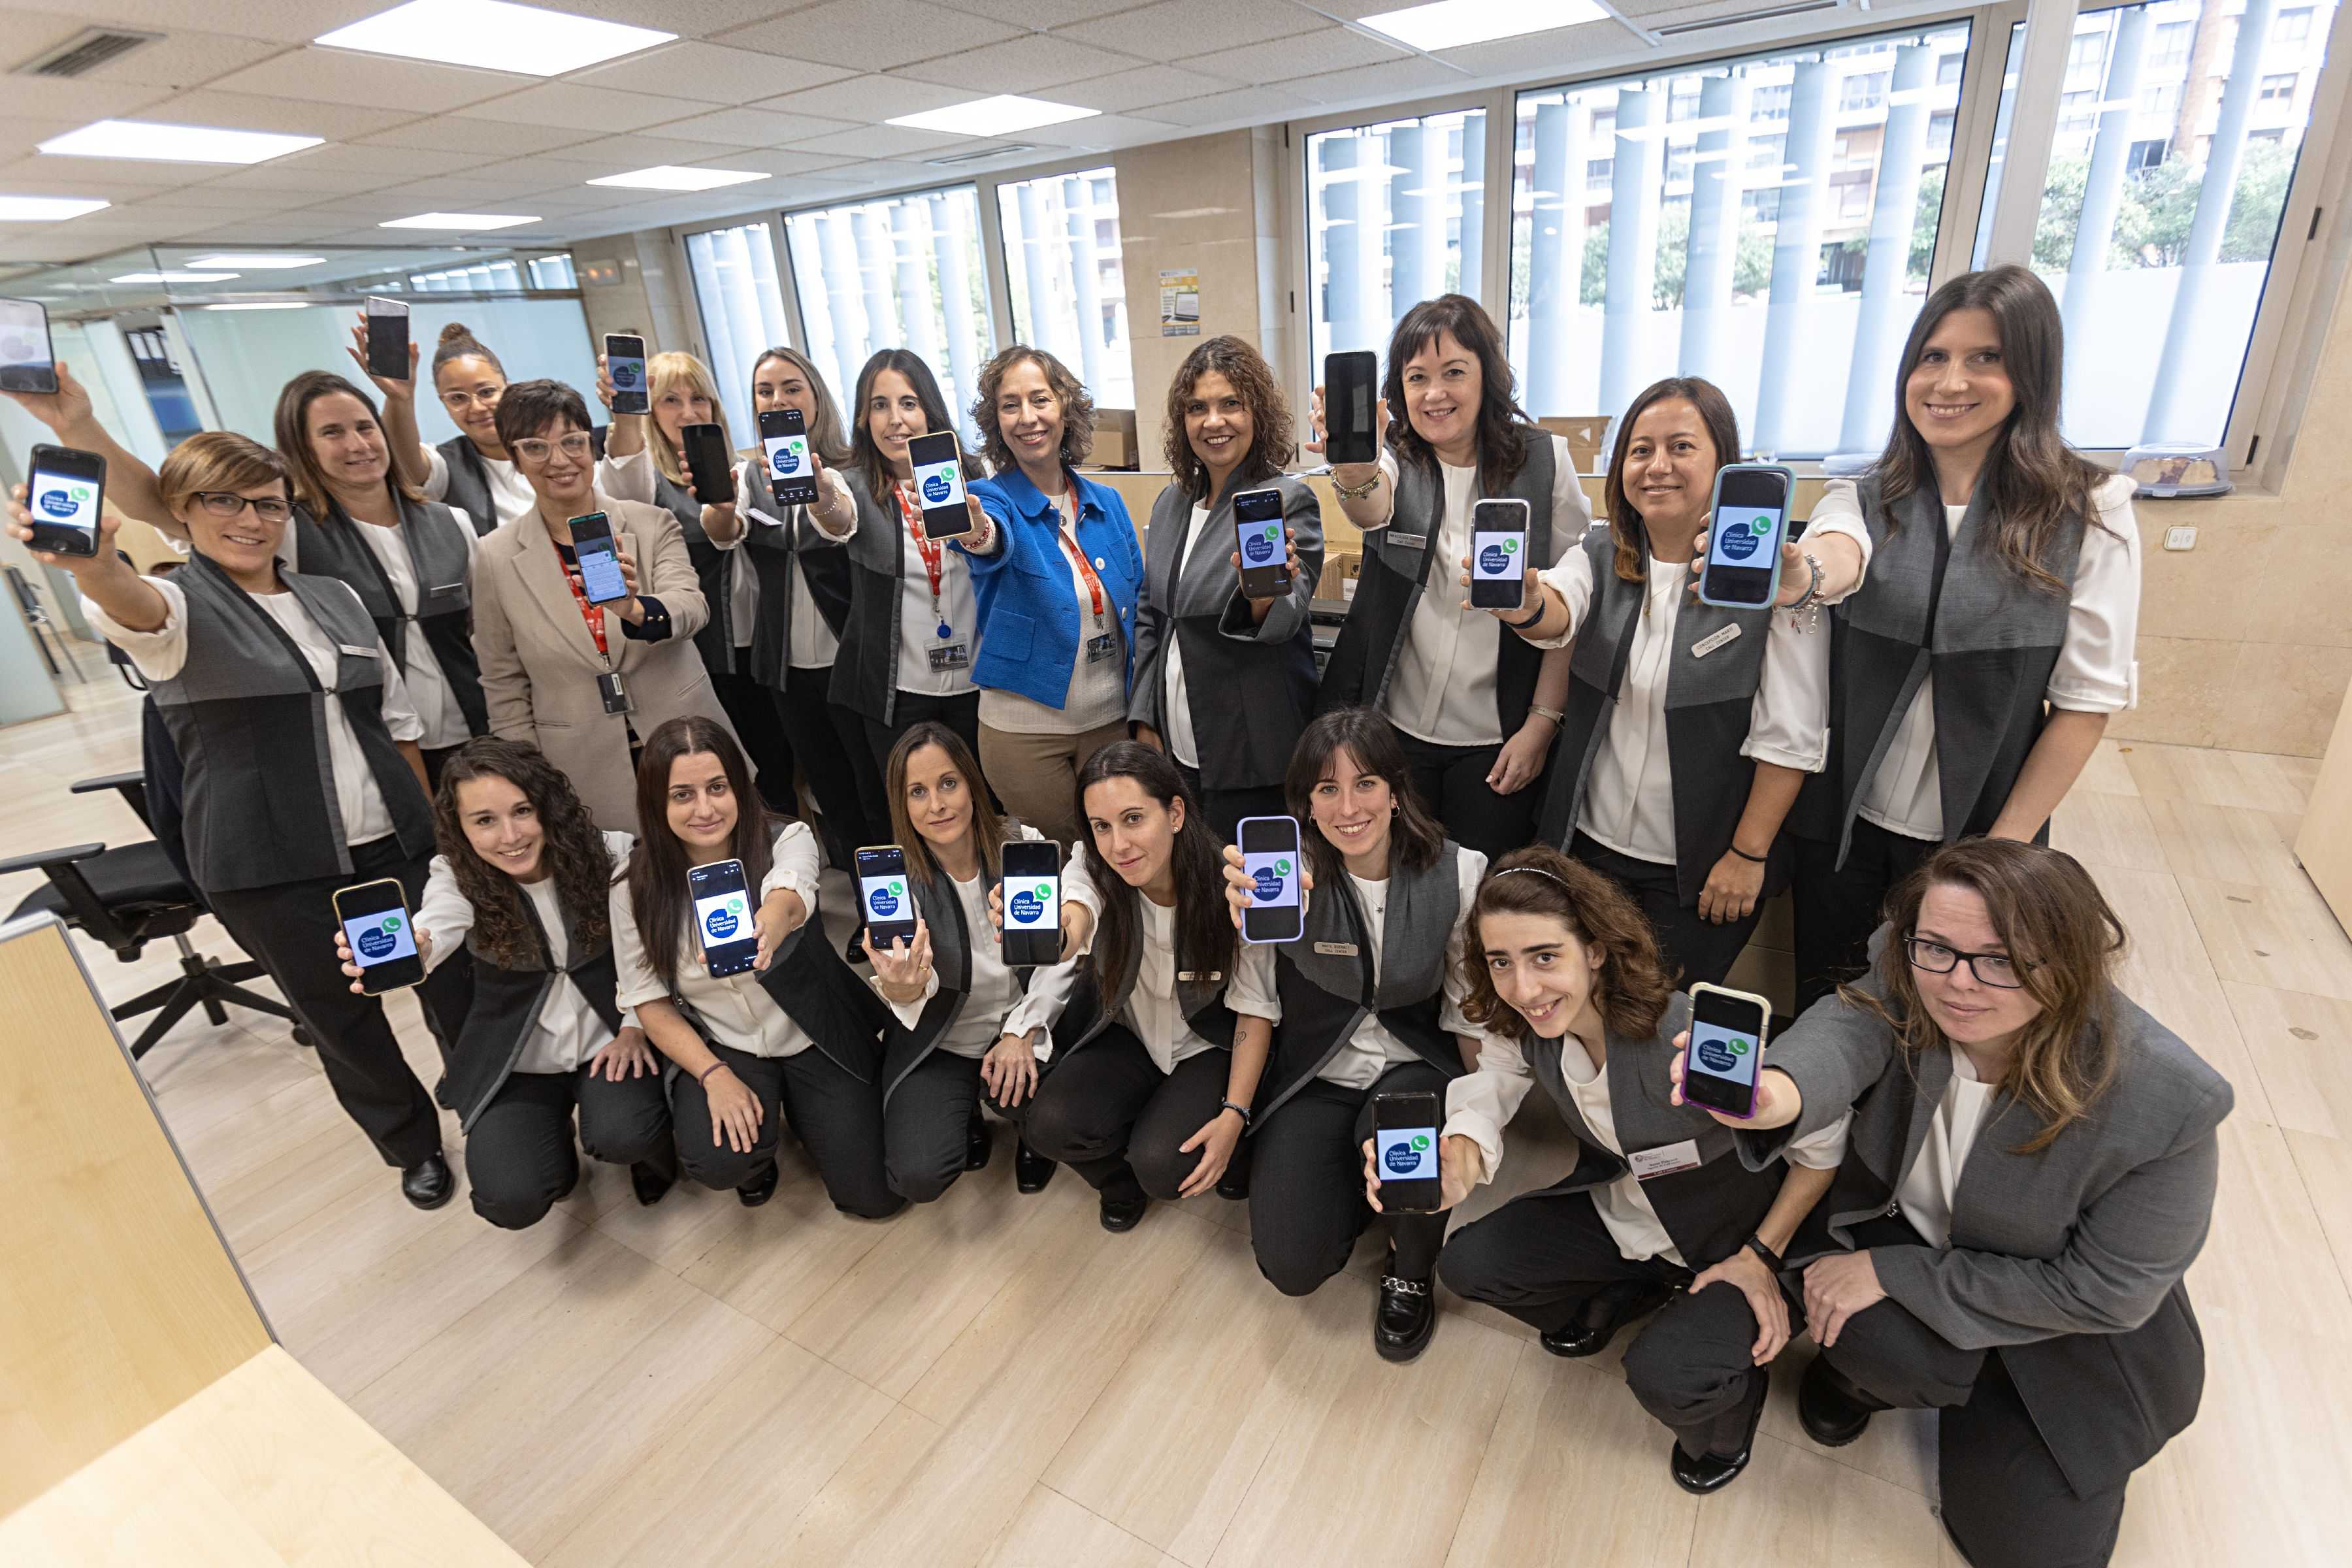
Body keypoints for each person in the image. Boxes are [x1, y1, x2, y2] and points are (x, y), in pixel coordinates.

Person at [1681, 839, 2228, 1563]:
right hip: (1924, 1239)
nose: (1960, 984)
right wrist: (1778, 1094)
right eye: (1936, 948)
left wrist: (1890, 1274)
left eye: (2002, 960)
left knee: (2024, 1552)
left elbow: (2105, 1293)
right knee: (1861, 1333)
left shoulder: (2170, 1100)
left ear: (2068, 960)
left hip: (2065, 1328)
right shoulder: (1913, 967)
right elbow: (1852, 1024)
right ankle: (1866, 1383)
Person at [8, 434, 462, 1207]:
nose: (250, 519)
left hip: (390, 840)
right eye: (223, 500)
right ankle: (412, 1145)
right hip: (271, 865)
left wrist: (431, 829)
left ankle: (485, 1098)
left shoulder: (335, 599)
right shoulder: (179, 606)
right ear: (183, 512)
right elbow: (131, 610)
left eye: (267, 503)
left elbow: (395, 722)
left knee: (449, 984)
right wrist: (91, 563)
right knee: (342, 1020)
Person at [1410, 847, 1850, 1493]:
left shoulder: (1686, 1033)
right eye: (1501, 961)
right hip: (1631, 1214)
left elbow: (1825, 1142)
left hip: (1738, 1239)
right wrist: (1461, 1156)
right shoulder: (1527, 1023)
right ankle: (1631, 1292)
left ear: (1593, 949)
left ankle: (1729, 1417)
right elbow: (1498, 1074)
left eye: (1544, 957)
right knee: (1469, 1265)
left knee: (1665, 1374)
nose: (1524, 987)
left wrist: (1762, 1254)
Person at [1788, 265, 2142, 1011]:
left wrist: (1999, 855)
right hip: (1844, 822)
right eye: (1933, 357)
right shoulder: (1862, 492)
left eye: (1985, 358)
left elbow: (2084, 704)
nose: (1951, 382)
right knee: (1833, 993)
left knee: (1950, 1012)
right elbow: (1835, 553)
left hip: (1984, 825)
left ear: (2031, 376)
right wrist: (1806, 575)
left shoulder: (2089, 510)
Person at [1485, 376, 1867, 987]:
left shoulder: (1776, 579)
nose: (1657, 466)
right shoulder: (1601, 552)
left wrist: (1747, 855)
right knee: (1585, 1004)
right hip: (1590, 845)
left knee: (1658, 1021)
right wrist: (1525, 603)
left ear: (1724, 462)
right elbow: (1559, 606)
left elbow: (1789, 739)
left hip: (1704, 866)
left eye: (1681, 447)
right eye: (1640, 450)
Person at [1220, 708, 1485, 1362]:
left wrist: (1479, 1119)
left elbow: (1467, 1013)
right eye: (1327, 789)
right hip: (1318, 1077)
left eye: (1364, 784)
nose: (1348, 807)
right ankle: (1359, 1189)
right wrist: (1235, 1113)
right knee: (1292, 1267)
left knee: (1408, 1152)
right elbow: (1257, 1007)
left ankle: (1411, 1263)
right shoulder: (1276, 881)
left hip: (1415, 1071)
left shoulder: (1460, 872)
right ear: (1306, 805)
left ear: (1396, 791)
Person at [335, 737, 676, 1228]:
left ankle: (643, 1148)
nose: (510, 836)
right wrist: (418, 946)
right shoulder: (453, 875)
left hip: (610, 1039)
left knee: (628, 1133)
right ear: (461, 828)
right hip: (521, 1058)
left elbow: (649, 949)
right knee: (510, 1197)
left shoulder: (610, 851)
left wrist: (633, 1023)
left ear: (548, 808)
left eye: (522, 811)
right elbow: (440, 921)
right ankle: (552, 1154)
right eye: (485, 821)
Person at [1315, 294, 1585, 861]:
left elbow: (1571, 604)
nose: (1434, 394)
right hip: (1395, 730)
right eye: (1417, 378)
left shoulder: (1546, 461)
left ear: (1488, 375)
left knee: (1482, 893)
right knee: (1404, 879)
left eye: (1453, 373)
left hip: (1498, 738)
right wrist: (1354, 465)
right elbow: (1370, 507)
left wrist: (1542, 722)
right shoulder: (1395, 454)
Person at [612, 716, 897, 1215]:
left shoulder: (786, 838)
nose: (704, 809)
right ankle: (759, 1153)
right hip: (727, 1042)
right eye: (682, 794)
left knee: (872, 1198)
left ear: (740, 787)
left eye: (717, 787)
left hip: (814, 1030)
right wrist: (711, 1074)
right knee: (720, 1161)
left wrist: (771, 919)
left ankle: (812, 1120)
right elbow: (648, 1001)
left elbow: (791, 890)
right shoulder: (630, 887)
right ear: (656, 802)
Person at [989, 742, 1274, 1232]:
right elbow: (1077, 911)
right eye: (1102, 826)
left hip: (1207, 1045)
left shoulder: (1228, 880)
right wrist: (1055, 934)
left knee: (1164, 1166)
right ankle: (1118, 1180)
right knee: (1045, 1121)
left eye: (1134, 818)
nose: (1118, 844)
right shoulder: (1094, 866)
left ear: (1176, 813)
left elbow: (1255, 1009)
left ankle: (1208, 1135)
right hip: (1131, 1037)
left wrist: (1234, 1114)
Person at [468, 378, 734, 832]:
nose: (559, 460)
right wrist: (529, 778)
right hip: (579, 760)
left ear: (592, 447)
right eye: (535, 447)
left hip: (684, 738)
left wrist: (634, 610)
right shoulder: (495, 557)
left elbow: (691, 608)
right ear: (514, 459)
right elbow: (503, 681)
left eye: (572, 442)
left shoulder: (651, 524)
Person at [596, 348, 836, 817]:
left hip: (767, 647)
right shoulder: (651, 482)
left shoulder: (745, 468)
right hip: (708, 650)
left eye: (699, 399)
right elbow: (622, 472)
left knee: (786, 763)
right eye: (670, 401)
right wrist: (625, 413)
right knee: (737, 771)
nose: (688, 412)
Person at [864, 722, 1072, 1201]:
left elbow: (1061, 958)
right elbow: (913, 999)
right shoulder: (894, 883)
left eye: (948, 783)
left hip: (1021, 1026)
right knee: (917, 1175)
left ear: (972, 785)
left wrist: (1024, 1030)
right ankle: (968, 1109)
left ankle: (1029, 1131)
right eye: (917, 792)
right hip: (945, 1040)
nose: (936, 805)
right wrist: (903, 988)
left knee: (1056, 1119)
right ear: (902, 805)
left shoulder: (1022, 844)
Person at [1130, 335, 1323, 841]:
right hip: (1176, 747)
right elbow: (1152, 615)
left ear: (1256, 413)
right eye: (1197, 408)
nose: (1213, 422)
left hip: (1253, 753)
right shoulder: (1171, 505)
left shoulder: (1287, 501)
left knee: (1257, 897)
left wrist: (1262, 594)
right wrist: (1145, 719)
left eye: (1230, 404)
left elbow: (1284, 621)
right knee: (1201, 889)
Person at [960, 345, 1145, 846]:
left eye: (1040, 400)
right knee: (1067, 860)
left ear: (1065, 407)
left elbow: (1141, 607)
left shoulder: (1107, 502)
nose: (1028, 418)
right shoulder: (991, 498)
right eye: (1010, 405)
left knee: (1119, 855)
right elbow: (991, 540)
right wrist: (974, 529)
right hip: (1024, 734)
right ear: (996, 421)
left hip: (1110, 722)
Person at [275, 368, 486, 789]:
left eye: (365, 427)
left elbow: (491, 632)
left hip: (479, 732)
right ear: (303, 448)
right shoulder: (291, 533)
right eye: (332, 432)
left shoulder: (451, 522)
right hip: (374, 748)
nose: (357, 445)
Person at [736, 346, 881, 870]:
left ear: (816, 396)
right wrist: (715, 505)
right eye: (765, 391)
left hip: (850, 657)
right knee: (828, 790)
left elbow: (842, 522)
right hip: (786, 666)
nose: (778, 400)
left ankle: (902, 902)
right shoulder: (746, 478)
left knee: (872, 786)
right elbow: (726, 531)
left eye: (792, 388)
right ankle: (871, 908)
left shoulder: (853, 469)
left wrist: (822, 495)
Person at [830, 348, 994, 779]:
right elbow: (835, 517)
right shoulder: (851, 486)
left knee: (984, 808)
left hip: (979, 684)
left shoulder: (976, 477)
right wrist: (820, 502)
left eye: (908, 403)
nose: (895, 419)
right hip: (898, 693)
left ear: (930, 411)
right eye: (879, 406)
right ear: (864, 419)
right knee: (912, 812)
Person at [365, 319, 533, 536]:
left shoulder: (550, 445)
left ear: (508, 388)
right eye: (457, 398)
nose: (477, 407)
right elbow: (404, 462)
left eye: (487, 392)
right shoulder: (446, 465)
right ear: (443, 402)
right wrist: (399, 398)